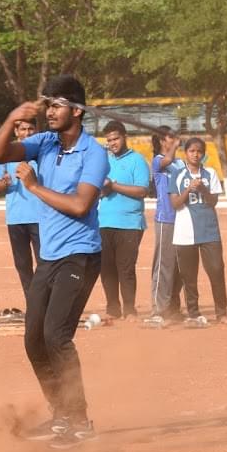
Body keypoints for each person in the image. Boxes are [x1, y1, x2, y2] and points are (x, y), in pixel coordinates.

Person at [0, 74, 109, 449]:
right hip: (50, 256)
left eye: (57, 105)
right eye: (49, 105)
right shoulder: (44, 143)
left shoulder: (94, 153)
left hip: (80, 255)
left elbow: (81, 205)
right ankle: (61, 414)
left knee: (57, 336)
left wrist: (34, 186)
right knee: (33, 340)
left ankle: (80, 421)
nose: (50, 112)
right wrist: (12, 118)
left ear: (77, 111)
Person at [169, 137, 227, 326]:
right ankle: (194, 313)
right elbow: (175, 204)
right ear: (185, 153)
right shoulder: (177, 174)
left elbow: (213, 202)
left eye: (199, 151)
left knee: (216, 270)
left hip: (209, 231)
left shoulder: (210, 173)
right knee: (189, 276)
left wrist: (202, 188)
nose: (195, 154)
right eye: (192, 151)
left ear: (204, 154)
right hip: (185, 232)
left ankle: (222, 313)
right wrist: (188, 189)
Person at [97, 120, 150, 321]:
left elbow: (142, 191)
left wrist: (113, 186)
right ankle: (112, 308)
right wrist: (103, 189)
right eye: (109, 140)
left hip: (130, 224)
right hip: (104, 222)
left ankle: (129, 309)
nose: (113, 143)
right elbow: (97, 191)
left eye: (116, 139)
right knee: (106, 269)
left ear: (124, 137)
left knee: (125, 268)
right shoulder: (103, 162)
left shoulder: (137, 160)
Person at [0, 117, 40, 314]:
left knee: (44, 264)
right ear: (16, 132)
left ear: (37, 130)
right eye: (23, 129)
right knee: (23, 265)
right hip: (15, 219)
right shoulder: (7, 154)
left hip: (40, 217)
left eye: (31, 129)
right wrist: (3, 184)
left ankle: (46, 303)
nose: (27, 133)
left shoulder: (42, 153)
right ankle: (33, 305)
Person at [143, 127, 184, 327]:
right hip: (165, 218)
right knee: (163, 265)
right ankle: (158, 309)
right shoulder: (158, 161)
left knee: (180, 266)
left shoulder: (180, 163)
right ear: (161, 141)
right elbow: (167, 160)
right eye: (170, 137)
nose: (174, 140)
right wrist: (176, 145)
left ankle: (173, 307)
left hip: (182, 219)